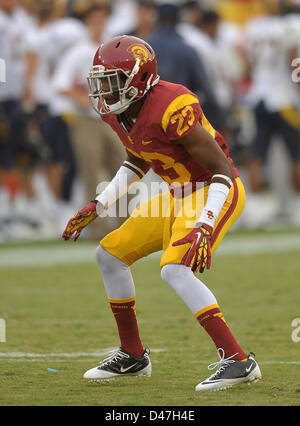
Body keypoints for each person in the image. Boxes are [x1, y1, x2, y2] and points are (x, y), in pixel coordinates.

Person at [62, 35, 262, 391]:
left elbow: (224, 172)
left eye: (112, 81)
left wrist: (204, 223)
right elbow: (138, 159)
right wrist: (100, 204)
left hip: (214, 189)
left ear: (139, 79)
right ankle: (133, 355)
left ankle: (238, 360)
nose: (104, 92)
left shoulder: (172, 104)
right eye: (100, 82)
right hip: (177, 193)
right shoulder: (119, 111)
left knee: (174, 269)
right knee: (108, 255)